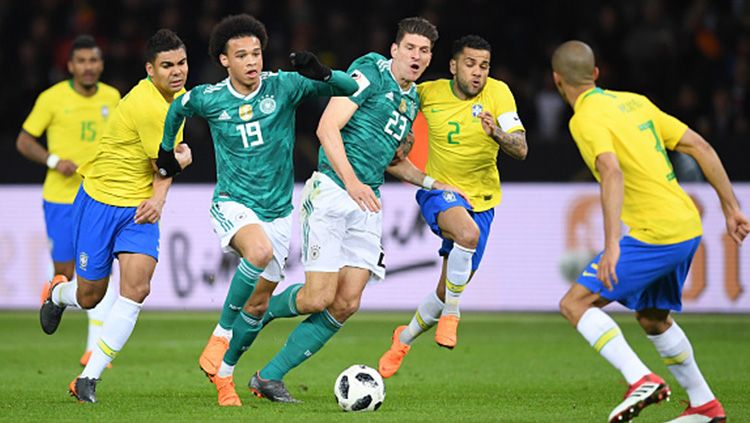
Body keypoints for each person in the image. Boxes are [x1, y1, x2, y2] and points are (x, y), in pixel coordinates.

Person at [246, 16, 466, 403]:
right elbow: (328, 127)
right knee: (317, 298)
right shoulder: (367, 71)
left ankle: (268, 377)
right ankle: (257, 310)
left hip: (367, 201)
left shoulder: (411, 99)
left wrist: (433, 183)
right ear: (395, 50)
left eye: (424, 51)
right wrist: (351, 181)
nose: (417, 57)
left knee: (346, 303)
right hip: (333, 189)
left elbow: (393, 161)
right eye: (410, 48)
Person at [156, 14, 358, 407]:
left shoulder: (283, 86)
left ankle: (226, 374)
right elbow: (177, 108)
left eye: (257, 53)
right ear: (223, 60)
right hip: (233, 203)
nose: (252, 61)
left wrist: (324, 73)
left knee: (259, 305)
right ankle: (219, 334)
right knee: (259, 252)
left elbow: (351, 87)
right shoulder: (210, 98)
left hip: (279, 212)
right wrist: (166, 151)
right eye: (242, 55)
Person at [551, 40, 749, 423]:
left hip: (656, 233)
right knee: (653, 317)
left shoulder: (584, 119)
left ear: (557, 81)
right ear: (595, 74)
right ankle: (705, 406)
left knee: (574, 304)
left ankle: (640, 378)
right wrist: (732, 208)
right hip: (687, 225)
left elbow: (610, 170)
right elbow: (701, 146)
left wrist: (611, 245)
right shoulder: (635, 102)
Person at [38, 29, 193, 403]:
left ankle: (87, 378)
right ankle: (58, 294)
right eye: (167, 66)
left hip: (137, 210)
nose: (177, 72)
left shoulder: (180, 99)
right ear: (149, 70)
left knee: (137, 289)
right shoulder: (148, 106)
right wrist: (184, 159)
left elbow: (163, 167)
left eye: (182, 63)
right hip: (101, 203)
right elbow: (169, 163)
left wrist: (157, 200)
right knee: (90, 296)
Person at [378, 34, 528, 378]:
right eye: (471, 64)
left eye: (484, 66)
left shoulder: (499, 93)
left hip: (484, 200)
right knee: (466, 232)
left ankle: (403, 338)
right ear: (453, 66)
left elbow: (520, 149)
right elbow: (399, 127)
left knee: (447, 288)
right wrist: (404, 140)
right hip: (440, 191)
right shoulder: (428, 93)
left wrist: (497, 134)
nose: (478, 73)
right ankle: (453, 315)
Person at [17, 35, 121, 367]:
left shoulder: (112, 96)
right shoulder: (52, 98)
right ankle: (56, 293)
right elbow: (24, 140)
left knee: (98, 270)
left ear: (101, 65)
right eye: (82, 61)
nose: (89, 67)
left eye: (94, 61)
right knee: (66, 272)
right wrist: (53, 161)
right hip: (61, 197)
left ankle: (94, 348)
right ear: (71, 65)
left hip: (99, 196)